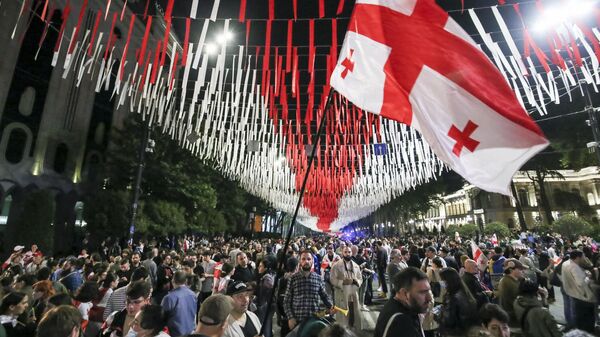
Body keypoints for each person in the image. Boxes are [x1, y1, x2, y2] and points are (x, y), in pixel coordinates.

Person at [284, 250, 335, 332]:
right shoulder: (293, 278)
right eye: (303, 259)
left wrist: (331, 306)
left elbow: (325, 296)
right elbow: (286, 300)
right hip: (297, 321)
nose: (306, 261)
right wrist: (290, 317)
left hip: (313, 320)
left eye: (308, 259)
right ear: (300, 261)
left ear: (312, 261)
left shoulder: (318, 278)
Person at [374, 267, 432, 337]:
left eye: (428, 291)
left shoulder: (395, 305)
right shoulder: (401, 322)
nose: (429, 298)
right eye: (422, 292)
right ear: (404, 293)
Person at [561, 250, 596, 333]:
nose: (584, 258)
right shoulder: (574, 267)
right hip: (582, 297)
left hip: (572, 293)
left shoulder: (565, 263)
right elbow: (581, 282)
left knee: (578, 316)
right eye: (583, 256)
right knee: (586, 319)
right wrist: (588, 277)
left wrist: (583, 272)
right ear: (577, 257)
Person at [437, 268, 478, 336]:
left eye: (442, 280)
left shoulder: (453, 298)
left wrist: (438, 316)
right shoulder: (464, 292)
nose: (441, 282)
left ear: (448, 281)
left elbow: (449, 320)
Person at [330, 246, 363, 329]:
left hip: (353, 295)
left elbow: (360, 278)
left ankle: (353, 331)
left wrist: (356, 281)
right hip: (342, 295)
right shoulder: (336, 266)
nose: (347, 254)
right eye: (345, 252)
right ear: (342, 253)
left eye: (349, 252)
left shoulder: (356, 266)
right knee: (343, 319)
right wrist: (343, 282)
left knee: (353, 316)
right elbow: (332, 279)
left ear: (352, 253)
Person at [161, 271, 198, 337]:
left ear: (173, 281)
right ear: (185, 281)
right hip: (191, 332)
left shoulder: (169, 298)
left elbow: (161, 317)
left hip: (175, 333)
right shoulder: (193, 294)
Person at [496, 258, 526, 322]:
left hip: (514, 315)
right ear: (511, 270)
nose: (523, 271)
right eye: (520, 269)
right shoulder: (508, 282)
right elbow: (522, 299)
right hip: (513, 317)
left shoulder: (513, 280)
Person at [254, 257, 276, 337]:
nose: (258, 268)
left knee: (265, 326)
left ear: (266, 268)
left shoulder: (267, 278)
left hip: (265, 305)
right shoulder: (266, 276)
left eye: (260, 266)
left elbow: (268, 291)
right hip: (266, 305)